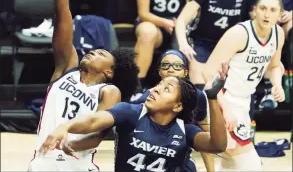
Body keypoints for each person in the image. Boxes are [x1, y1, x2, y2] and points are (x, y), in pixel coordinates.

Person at [27, 0, 139, 171]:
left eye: (101, 53)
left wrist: (68, 143)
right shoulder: (66, 67)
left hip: (78, 165)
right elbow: (62, 11)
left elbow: (97, 135)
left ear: (109, 72)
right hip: (42, 163)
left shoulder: (109, 92)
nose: (92, 51)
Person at [39, 74, 228, 172]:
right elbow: (94, 120)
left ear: (178, 106)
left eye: (166, 89)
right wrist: (66, 127)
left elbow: (218, 145)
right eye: (158, 85)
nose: (155, 89)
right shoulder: (130, 113)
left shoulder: (185, 131)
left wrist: (212, 98)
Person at [201, 0, 286, 171]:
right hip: (221, 99)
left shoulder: (278, 34)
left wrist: (277, 84)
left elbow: (275, 66)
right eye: (263, 8)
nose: (267, 14)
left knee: (229, 164)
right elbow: (208, 72)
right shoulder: (239, 34)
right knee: (250, 165)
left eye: (272, 10)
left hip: (244, 101)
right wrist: (225, 108)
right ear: (254, 10)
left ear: (280, 15)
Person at [175, 0, 257, 84]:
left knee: (230, 84)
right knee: (200, 81)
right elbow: (181, 20)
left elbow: (256, 22)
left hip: (233, 45)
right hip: (204, 42)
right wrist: (183, 44)